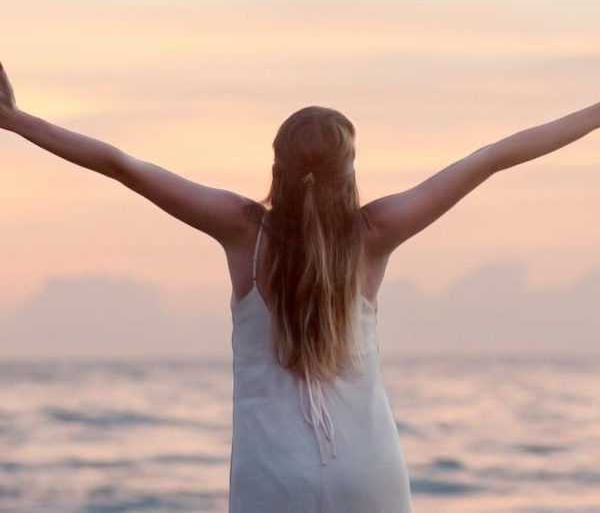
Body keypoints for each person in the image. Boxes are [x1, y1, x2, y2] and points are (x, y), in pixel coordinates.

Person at [1, 59, 598, 512]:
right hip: (369, 471)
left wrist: (16, 120)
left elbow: (121, 163)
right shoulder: (376, 231)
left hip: (270, 475)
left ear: (276, 163)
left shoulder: (240, 230)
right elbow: (494, 156)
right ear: (350, 168)